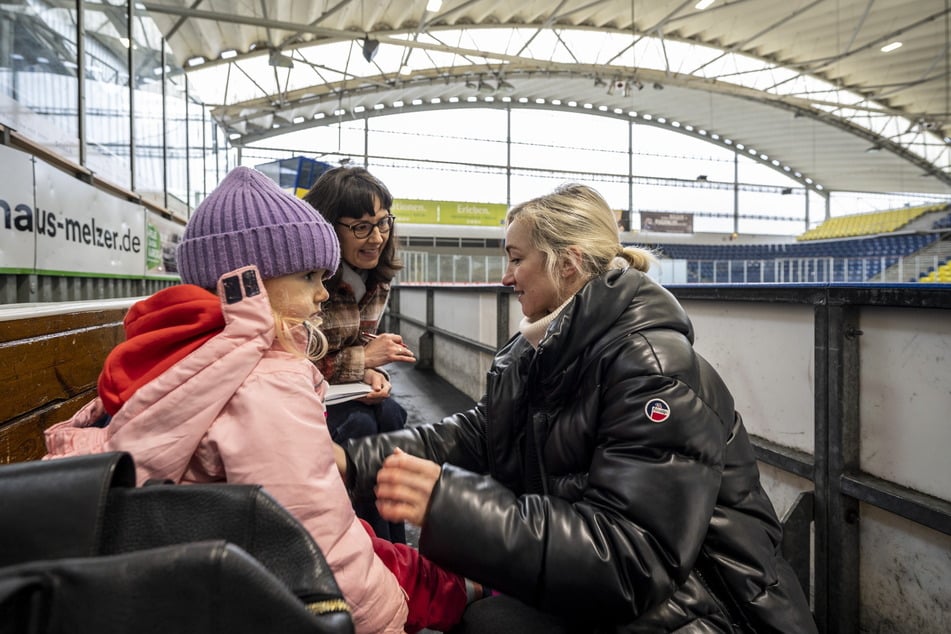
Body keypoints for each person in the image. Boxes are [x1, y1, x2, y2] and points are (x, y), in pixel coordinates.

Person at [339, 184, 819, 632]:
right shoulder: (535, 351)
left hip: (706, 612)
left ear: (565, 264)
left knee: (489, 622)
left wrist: (452, 504)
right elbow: (477, 433)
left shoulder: (652, 370)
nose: (506, 277)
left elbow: (631, 561)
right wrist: (352, 460)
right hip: (616, 591)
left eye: (516, 259)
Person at [43, 166, 479, 634]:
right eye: (309, 275)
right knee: (435, 578)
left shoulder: (188, 348)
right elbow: (311, 536)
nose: (322, 292)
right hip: (267, 581)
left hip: (208, 559)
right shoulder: (267, 381)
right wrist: (390, 614)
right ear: (245, 283)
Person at [303, 165, 415, 543]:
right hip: (303, 401)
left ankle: (394, 548)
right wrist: (363, 362)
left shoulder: (377, 279)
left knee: (390, 413)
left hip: (338, 392)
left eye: (383, 223)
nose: (377, 237)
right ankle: (370, 546)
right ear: (328, 227)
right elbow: (289, 358)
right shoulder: (307, 280)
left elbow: (356, 344)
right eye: (361, 226)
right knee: (363, 428)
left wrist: (372, 375)